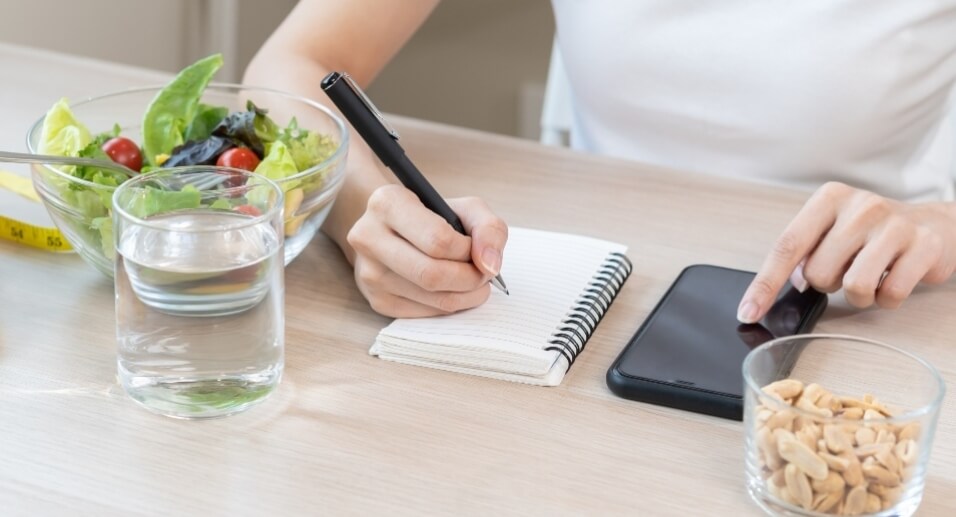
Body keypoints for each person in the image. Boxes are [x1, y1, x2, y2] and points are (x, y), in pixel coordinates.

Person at [244, 0, 956, 322]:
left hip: (877, 310)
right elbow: (290, 65)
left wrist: (941, 227)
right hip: (599, 287)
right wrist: (361, 206)